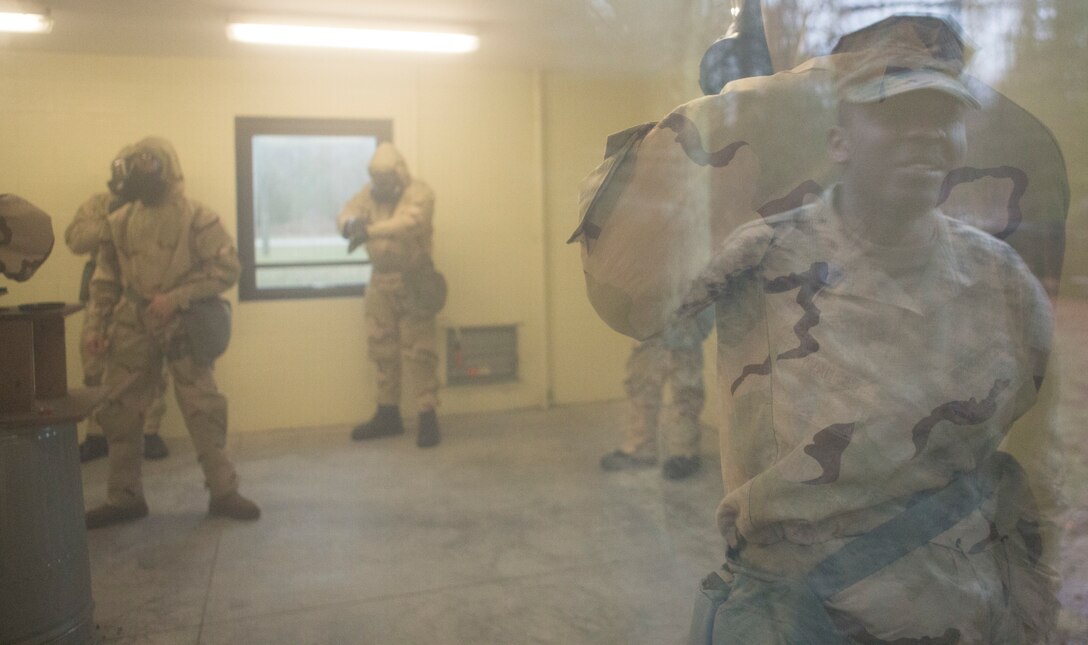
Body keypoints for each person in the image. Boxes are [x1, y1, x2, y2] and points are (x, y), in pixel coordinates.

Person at [669, 16, 1060, 643]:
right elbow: (634, 299)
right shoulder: (763, 253)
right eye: (897, 116)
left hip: (964, 605)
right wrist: (789, 84)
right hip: (806, 616)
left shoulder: (1000, 275)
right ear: (838, 142)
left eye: (943, 116)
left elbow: (1034, 444)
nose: (927, 135)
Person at [83, 136, 259, 529]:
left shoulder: (198, 217)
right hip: (131, 322)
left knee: (203, 406)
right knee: (120, 410)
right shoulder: (118, 222)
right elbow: (105, 279)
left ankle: (223, 491)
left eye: (145, 165)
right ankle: (124, 497)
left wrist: (178, 297)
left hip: (183, 323)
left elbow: (228, 269)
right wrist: (96, 325)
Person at [338, 142, 444, 448]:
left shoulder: (420, 194)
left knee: (420, 352)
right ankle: (388, 414)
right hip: (379, 283)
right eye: (376, 178)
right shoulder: (368, 194)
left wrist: (369, 232)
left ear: (399, 173)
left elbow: (410, 223)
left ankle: (427, 416)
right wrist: (350, 225)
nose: (380, 185)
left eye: (385, 178)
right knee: (381, 349)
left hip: (413, 281)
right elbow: (345, 213)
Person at [66, 147, 170, 462]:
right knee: (95, 365)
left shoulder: (157, 206)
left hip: (144, 297)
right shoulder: (100, 205)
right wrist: (112, 219)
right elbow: (74, 239)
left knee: (152, 368)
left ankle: (149, 432)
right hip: (103, 298)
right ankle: (98, 435)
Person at [600, 312, 712, 480]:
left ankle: (685, 452)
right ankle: (641, 448)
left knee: (686, 391)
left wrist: (699, 325)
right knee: (641, 384)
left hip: (687, 323)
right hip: (649, 326)